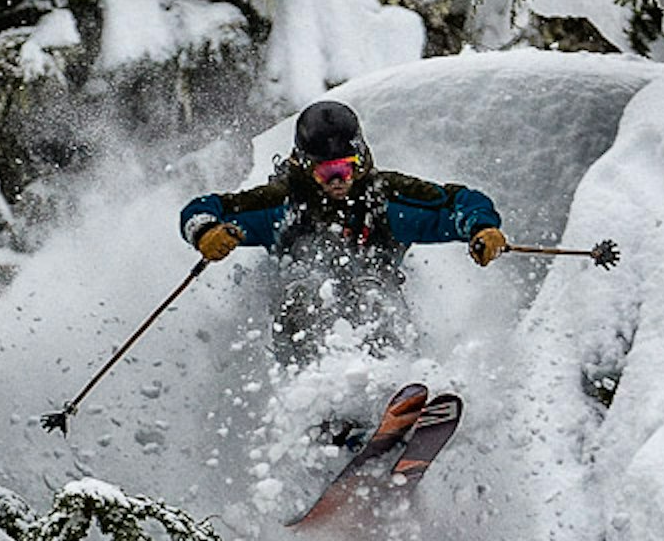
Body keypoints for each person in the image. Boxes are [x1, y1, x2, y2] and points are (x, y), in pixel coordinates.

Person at [180, 98, 507, 353]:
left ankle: (391, 378)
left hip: (375, 294)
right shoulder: (283, 205)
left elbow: (456, 202)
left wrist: (480, 228)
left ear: (361, 161)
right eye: (326, 172)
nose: (338, 181)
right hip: (302, 310)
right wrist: (206, 232)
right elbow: (205, 209)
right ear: (305, 167)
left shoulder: (384, 200)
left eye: (346, 168)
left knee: (371, 291)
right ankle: (310, 391)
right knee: (306, 291)